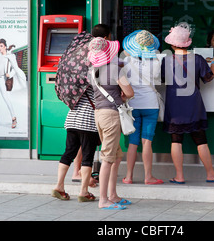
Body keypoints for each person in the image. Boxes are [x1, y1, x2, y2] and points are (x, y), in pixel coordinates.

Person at [161, 22, 214, 184]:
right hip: (193, 104)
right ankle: (211, 173)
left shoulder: (167, 60)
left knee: (176, 140)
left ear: (171, 44)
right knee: (201, 139)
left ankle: (179, 176)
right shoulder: (197, 59)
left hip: (174, 105)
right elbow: (208, 78)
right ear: (187, 43)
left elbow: (163, 80)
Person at [52, 24, 111, 202]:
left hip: (72, 117)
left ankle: (59, 186)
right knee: (87, 156)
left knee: (68, 152)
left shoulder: (77, 65)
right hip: (88, 121)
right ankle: (83, 191)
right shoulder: (98, 69)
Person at [88, 37, 134, 210]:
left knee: (116, 155)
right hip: (111, 115)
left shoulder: (92, 70)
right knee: (108, 158)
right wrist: (123, 95)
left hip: (99, 114)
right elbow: (129, 92)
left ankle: (113, 195)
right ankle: (103, 200)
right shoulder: (115, 69)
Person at [121, 30, 163, 185]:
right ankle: (148, 177)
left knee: (133, 142)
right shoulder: (156, 61)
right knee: (147, 142)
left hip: (132, 105)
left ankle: (129, 177)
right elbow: (157, 80)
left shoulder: (126, 61)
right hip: (151, 105)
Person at [0, 38, 26, 130]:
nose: (0, 48)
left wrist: (9, 74)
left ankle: (14, 118)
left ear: (5, 47)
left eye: (1, 46)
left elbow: (15, 68)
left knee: (6, 99)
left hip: (0, 79)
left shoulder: (10, 57)